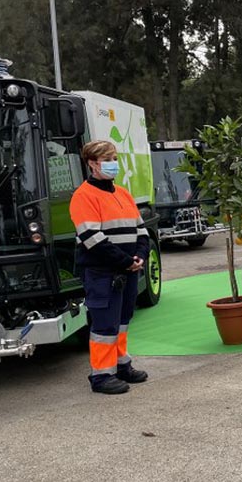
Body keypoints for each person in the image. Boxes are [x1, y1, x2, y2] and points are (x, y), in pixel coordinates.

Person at [70, 140, 150, 395]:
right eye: (107, 159)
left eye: (114, 158)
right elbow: (93, 239)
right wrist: (127, 261)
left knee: (122, 321)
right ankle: (102, 375)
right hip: (102, 272)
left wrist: (140, 256)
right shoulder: (83, 196)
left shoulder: (122, 193)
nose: (113, 163)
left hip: (126, 270)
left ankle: (121, 364)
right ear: (92, 163)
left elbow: (142, 231)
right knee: (104, 324)